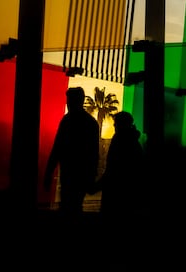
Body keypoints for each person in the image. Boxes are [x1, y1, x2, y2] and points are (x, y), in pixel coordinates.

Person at [44, 86, 100, 218]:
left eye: (69, 101)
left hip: (69, 172)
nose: (68, 104)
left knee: (68, 206)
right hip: (81, 174)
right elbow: (93, 153)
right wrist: (91, 175)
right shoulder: (91, 123)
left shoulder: (67, 120)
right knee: (74, 206)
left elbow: (57, 148)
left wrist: (49, 172)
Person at [94, 111, 145, 219]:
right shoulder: (134, 143)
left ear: (121, 124)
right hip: (128, 195)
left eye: (116, 123)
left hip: (115, 194)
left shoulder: (119, 140)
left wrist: (97, 186)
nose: (114, 125)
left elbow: (113, 170)